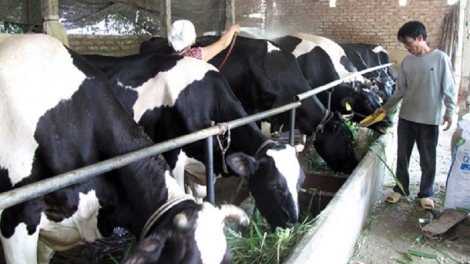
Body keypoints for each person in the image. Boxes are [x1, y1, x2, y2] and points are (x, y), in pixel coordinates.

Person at [374, 21, 456, 210]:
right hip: (407, 117)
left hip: (430, 119)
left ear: (420, 38)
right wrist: (386, 108)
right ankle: (400, 189)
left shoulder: (440, 58)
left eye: (409, 43)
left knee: (428, 158)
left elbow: (449, 89)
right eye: (404, 44)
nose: (407, 48)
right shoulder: (407, 62)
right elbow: (401, 89)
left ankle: (426, 193)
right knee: (402, 156)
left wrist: (449, 112)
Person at [168, 19, 240, 62]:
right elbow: (222, 44)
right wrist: (232, 29)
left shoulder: (168, 59)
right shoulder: (194, 55)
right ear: (190, 38)